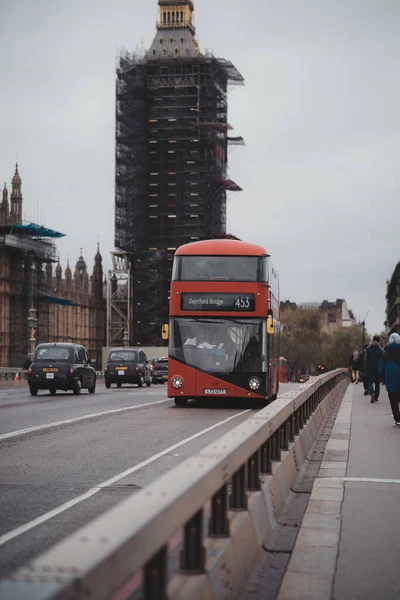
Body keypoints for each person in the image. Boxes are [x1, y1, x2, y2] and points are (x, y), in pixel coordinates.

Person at [380, 333, 400, 425]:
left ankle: (397, 419)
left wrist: (383, 379)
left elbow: (381, 368)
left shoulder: (385, 353)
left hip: (391, 380)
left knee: (393, 399)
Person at [366, 335, 383, 403]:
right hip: (377, 368)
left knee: (370, 381)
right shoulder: (380, 350)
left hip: (370, 368)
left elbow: (366, 360)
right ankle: (376, 396)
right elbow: (382, 360)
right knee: (377, 382)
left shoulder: (368, 349)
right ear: (378, 341)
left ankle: (372, 393)